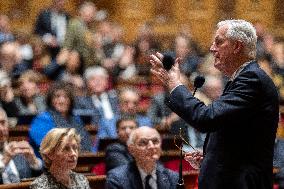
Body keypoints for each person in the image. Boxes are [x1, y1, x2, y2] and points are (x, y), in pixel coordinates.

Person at [150, 19, 279, 189]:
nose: (212, 48)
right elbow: (239, 136)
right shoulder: (242, 79)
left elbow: (206, 118)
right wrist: (211, 156)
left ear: (237, 46)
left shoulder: (251, 79)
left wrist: (175, 85)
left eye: (218, 42)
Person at [29, 82, 93, 157]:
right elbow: (47, 147)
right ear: (51, 100)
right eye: (57, 97)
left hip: (79, 160)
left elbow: (86, 142)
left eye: (66, 97)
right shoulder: (42, 119)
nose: (62, 101)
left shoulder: (76, 119)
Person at [105, 126, 178, 189]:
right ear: (132, 150)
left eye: (155, 141)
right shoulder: (117, 179)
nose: (151, 146)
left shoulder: (173, 178)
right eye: (143, 142)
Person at [0, 107, 42, 184]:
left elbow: (41, 180)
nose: (1, 129)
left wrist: (34, 163)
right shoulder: (8, 155)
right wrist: (3, 163)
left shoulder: (19, 151)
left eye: (3, 123)